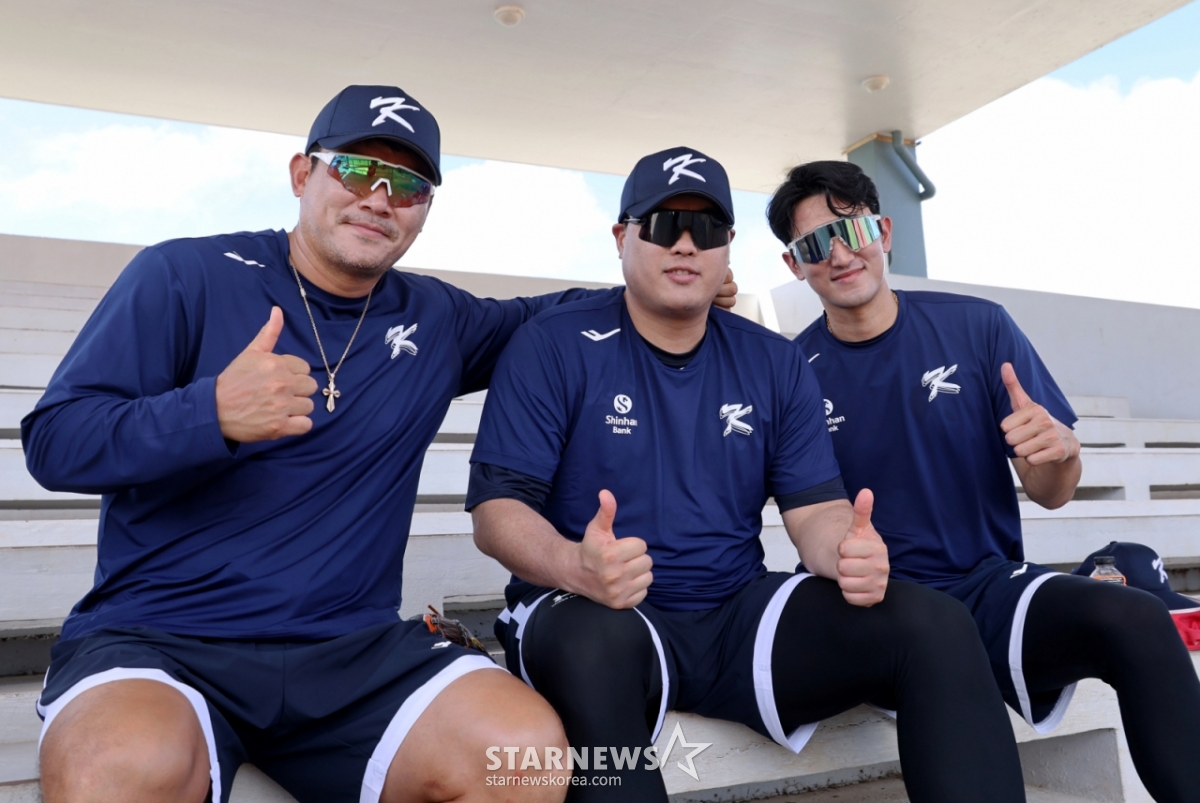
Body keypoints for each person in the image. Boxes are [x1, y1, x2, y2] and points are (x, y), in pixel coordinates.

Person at [22, 85, 737, 803]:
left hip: (350, 652)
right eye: (357, 171)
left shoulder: (434, 317)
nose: (379, 198)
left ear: (425, 209)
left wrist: (674, 284)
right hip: (164, 639)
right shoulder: (184, 275)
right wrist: (209, 412)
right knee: (114, 772)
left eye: (407, 185)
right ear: (304, 175)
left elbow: (550, 314)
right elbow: (55, 442)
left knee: (522, 759)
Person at [467, 147, 1027, 803]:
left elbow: (814, 510)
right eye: (662, 223)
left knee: (933, 622)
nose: (684, 243)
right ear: (622, 236)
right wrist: (574, 565)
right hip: (594, 605)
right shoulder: (554, 342)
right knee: (594, 648)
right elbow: (496, 510)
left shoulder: (774, 360)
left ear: (727, 247)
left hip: (736, 612)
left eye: (705, 229)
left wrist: (847, 549)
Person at [768, 160, 1200, 803]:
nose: (838, 254)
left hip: (985, 585)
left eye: (851, 229)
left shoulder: (977, 325)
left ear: (883, 231)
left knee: (1137, 617)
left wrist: (1058, 452)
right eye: (813, 245)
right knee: (931, 635)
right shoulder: (791, 371)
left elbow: (1052, 489)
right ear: (794, 266)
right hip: (874, 609)